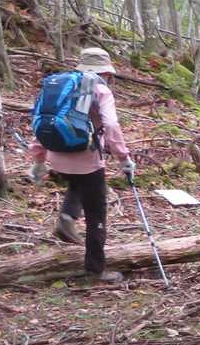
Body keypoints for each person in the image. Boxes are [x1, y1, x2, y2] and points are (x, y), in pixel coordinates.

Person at [26, 47, 136, 285]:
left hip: (57, 157)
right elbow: (111, 125)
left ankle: (67, 217)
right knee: (96, 213)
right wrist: (124, 158)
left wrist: (38, 160)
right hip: (87, 159)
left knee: (77, 183)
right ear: (107, 72)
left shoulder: (59, 85)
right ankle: (95, 271)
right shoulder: (101, 90)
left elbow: (43, 121)